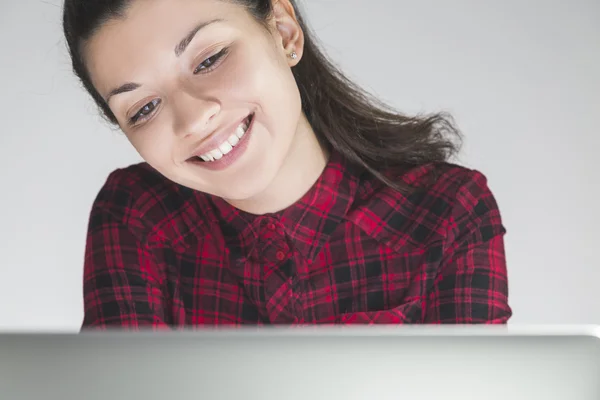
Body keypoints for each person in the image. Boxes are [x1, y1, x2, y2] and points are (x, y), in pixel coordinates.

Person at [63, 0, 512, 328]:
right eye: (143, 109)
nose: (194, 119)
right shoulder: (136, 214)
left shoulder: (448, 211)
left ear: (283, 31)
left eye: (210, 59)